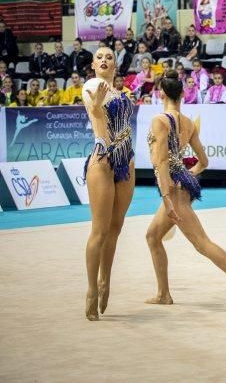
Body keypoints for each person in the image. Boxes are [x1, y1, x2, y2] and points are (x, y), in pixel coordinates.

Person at [144, 70, 226, 314]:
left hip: (173, 192)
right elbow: (203, 162)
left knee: (201, 243)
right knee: (153, 237)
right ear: (183, 94)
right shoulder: (187, 123)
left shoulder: (160, 121)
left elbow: (162, 161)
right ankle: (163, 293)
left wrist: (168, 197)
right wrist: (186, 175)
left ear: (161, 92)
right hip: (181, 186)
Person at [82, 47, 136, 320]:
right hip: (103, 160)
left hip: (126, 161)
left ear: (115, 64)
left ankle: (106, 281)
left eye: (109, 57)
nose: (104, 60)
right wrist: (96, 105)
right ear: (93, 64)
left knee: (115, 229)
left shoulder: (121, 93)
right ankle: (92, 289)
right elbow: (95, 111)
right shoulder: (92, 85)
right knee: (100, 231)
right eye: (99, 57)